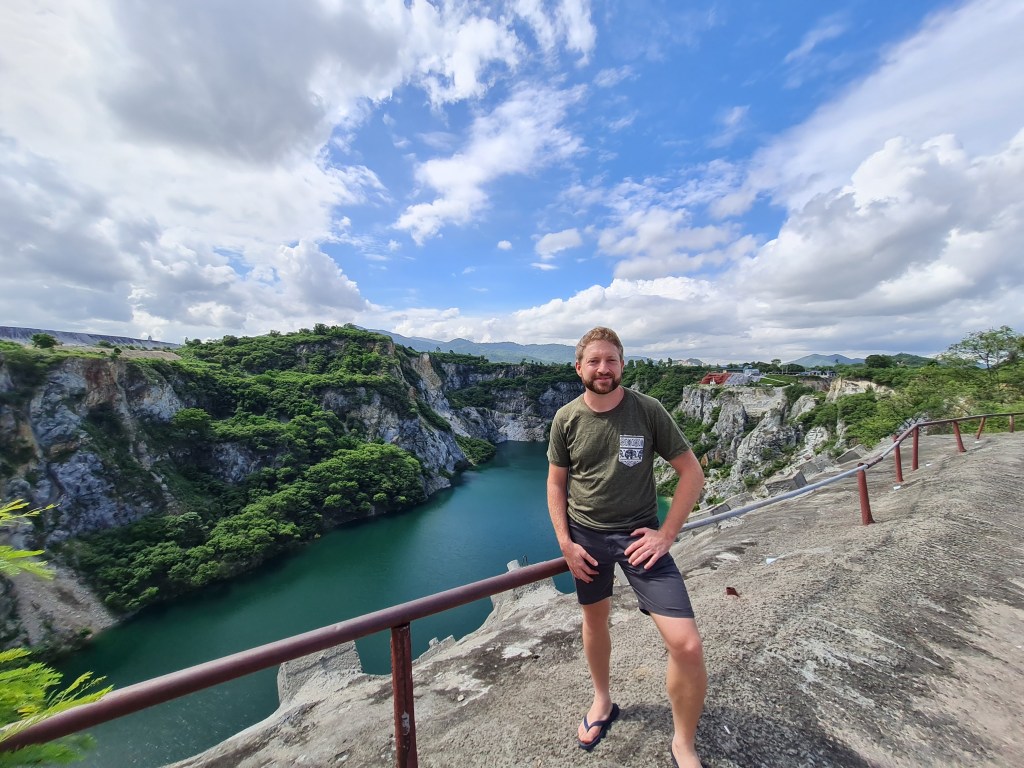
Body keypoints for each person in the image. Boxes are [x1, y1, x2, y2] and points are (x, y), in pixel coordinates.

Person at [546, 327, 707, 768]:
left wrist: (666, 534)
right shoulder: (566, 418)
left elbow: (692, 473)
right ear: (578, 368)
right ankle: (602, 700)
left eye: (611, 360)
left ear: (622, 364)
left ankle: (683, 744)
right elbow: (556, 484)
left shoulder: (648, 410)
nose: (603, 369)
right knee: (594, 621)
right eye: (594, 361)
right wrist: (565, 543)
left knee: (687, 646)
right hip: (587, 539)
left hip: (640, 539)